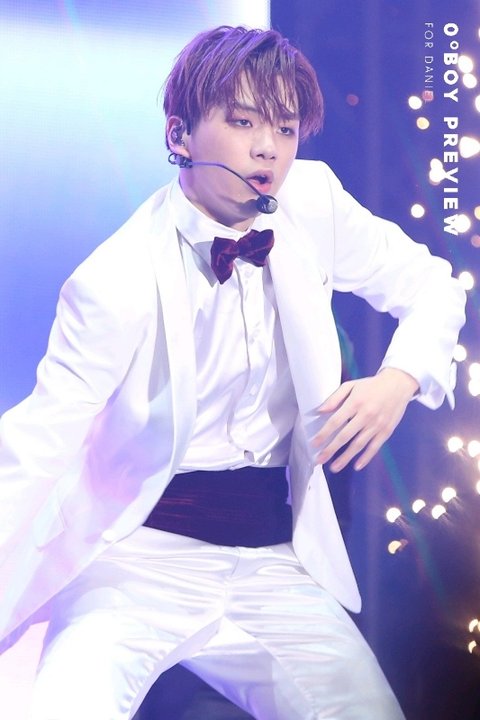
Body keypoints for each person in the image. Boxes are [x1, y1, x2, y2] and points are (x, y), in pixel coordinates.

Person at [0, 25, 465, 720]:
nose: (267, 147)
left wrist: (399, 379)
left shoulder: (312, 201)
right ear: (179, 134)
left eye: (285, 127)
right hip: (136, 558)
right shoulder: (114, 281)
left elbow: (433, 285)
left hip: (274, 561)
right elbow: (39, 441)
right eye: (243, 122)